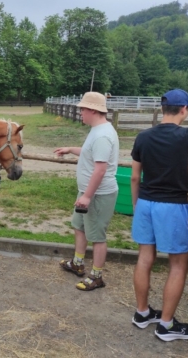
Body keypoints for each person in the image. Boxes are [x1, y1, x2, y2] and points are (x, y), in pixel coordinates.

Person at [130, 89, 188, 341]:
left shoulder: (143, 137)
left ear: (163, 109)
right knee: (178, 263)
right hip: (171, 206)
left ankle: (142, 313)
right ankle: (166, 325)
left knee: (144, 258)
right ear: (184, 110)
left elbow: (134, 177)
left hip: (145, 203)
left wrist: (136, 207)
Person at [55, 91, 119, 291]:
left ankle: (97, 276)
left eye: (82, 109)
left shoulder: (102, 136)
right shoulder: (97, 130)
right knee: (79, 226)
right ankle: (78, 263)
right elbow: (91, 154)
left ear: (93, 110)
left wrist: (87, 196)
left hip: (98, 195)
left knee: (97, 236)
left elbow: (100, 170)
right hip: (87, 192)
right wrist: (71, 149)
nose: (80, 112)